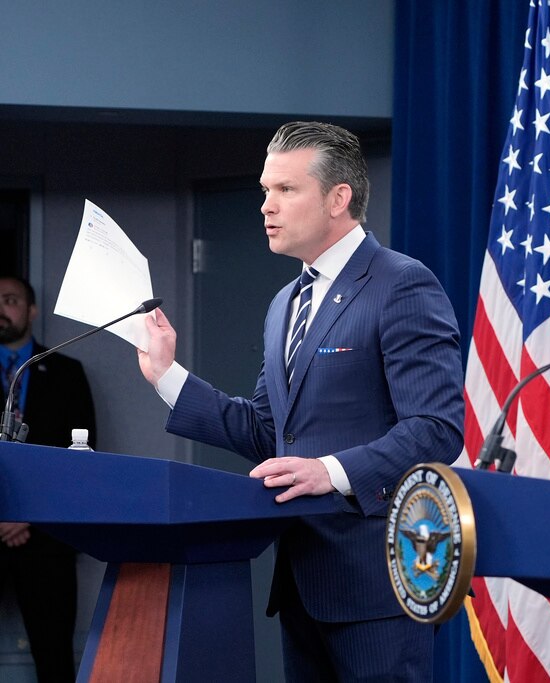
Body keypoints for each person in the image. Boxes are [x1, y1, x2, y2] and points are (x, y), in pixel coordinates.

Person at [137, 121, 464, 681]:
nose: (267, 206)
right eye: (266, 190)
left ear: (339, 198)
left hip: (378, 585)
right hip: (301, 580)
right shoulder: (285, 302)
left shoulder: (402, 284)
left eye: (286, 190)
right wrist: (168, 375)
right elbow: (268, 431)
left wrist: (329, 471)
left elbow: (436, 427)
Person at [0, 275, 96, 683]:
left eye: (10, 300)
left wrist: (26, 515)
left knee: (54, 658)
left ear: (32, 310)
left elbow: (80, 460)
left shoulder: (67, 372)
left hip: (46, 539)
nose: (1, 309)